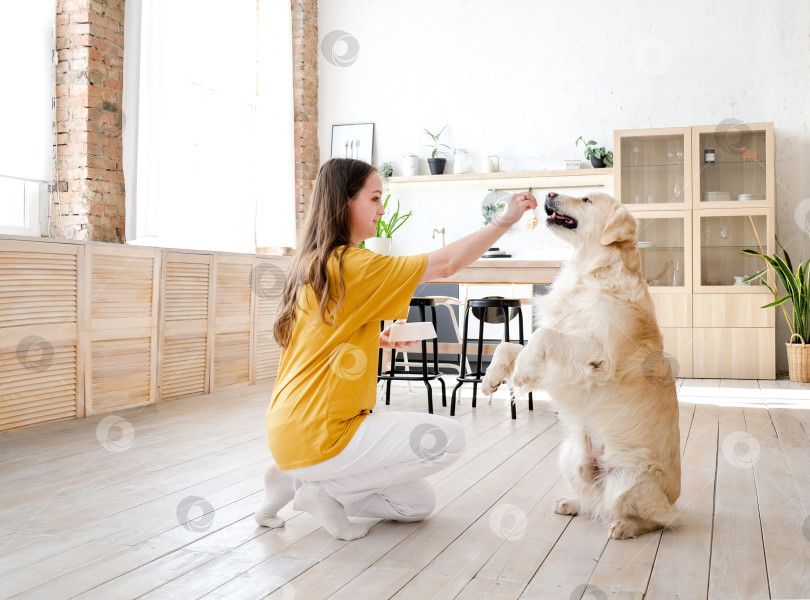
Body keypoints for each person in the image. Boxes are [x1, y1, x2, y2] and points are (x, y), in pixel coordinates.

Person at [255, 158, 537, 540]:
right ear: (344, 202)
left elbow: (323, 343)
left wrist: (378, 340)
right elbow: (448, 263)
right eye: (374, 198)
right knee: (449, 439)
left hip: (289, 426)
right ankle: (318, 489)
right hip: (322, 430)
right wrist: (505, 220)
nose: (382, 209)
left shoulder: (313, 263)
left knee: (415, 505)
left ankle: (290, 478)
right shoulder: (353, 264)